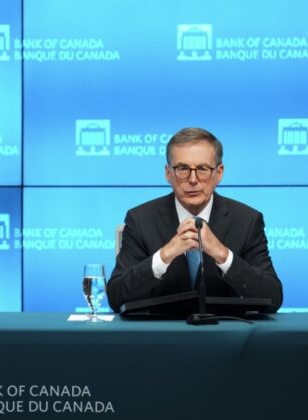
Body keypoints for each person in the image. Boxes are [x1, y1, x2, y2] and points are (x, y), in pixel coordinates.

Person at [107, 127, 282, 312]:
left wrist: (222, 254)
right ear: (168, 173)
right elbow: (117, 297)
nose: (193, 179)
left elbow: (273, 298)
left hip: (225, 337)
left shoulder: (247, 221)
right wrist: (164, 255)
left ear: (219, 173)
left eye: (202, 169)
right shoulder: (141, 220)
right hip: (161, 336)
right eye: (182, 169)